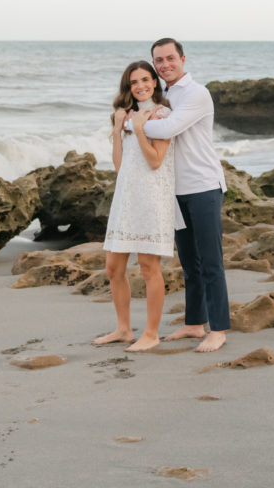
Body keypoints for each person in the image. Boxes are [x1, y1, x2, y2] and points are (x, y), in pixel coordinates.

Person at [136, 38, 230, 354]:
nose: (164, 65)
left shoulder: (196, 94)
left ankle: (218, 329)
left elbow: (167, 129)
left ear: (183, 59)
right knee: (189, 263)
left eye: (170, 58)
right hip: (174, 191)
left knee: (211, 262)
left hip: (203, 186)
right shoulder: (166, 95)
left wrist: (132, 125)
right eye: (158, 61)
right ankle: (193, 324)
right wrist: (141, 119)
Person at [92, 61, 175, 352]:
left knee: (148, 266)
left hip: (152, 199)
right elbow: (119, 165)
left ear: (155, 82)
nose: (140, 86)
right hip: (126, 198)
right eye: (133, 82)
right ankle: (124, 329)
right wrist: (118, 128)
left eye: (145, 79)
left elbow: (155, 161)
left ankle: (151, 334)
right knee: (113, 266)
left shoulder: (162, 115)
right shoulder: (127, 117)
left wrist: (140, 129)